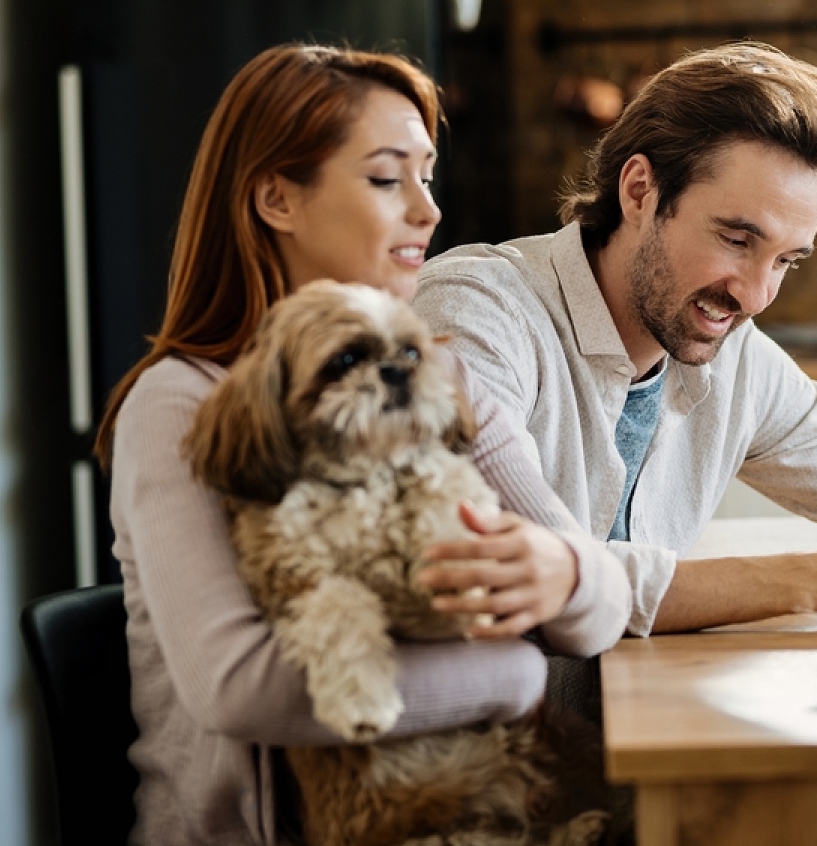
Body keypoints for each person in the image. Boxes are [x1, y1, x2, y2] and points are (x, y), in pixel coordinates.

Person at [95, 44, 631, 846]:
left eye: (428, 176)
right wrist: (517, 673)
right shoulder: (182, 400)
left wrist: (567, 570)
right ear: (277, 197)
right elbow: (240, 688)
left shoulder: (435, 372)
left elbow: (602, 604)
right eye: (387, 178)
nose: (428, 210)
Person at [413, 42, 817, 637]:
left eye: (785, 261)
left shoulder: (732, 355)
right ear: (639, 191)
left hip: (640, 704)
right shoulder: (477, 310)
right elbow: (518, 568)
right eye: (737, 240)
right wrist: (815, 580)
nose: (755, 296)